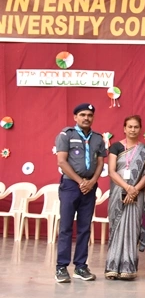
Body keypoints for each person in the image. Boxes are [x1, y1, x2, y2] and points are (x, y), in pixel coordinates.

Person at [54, 103, 107, 283]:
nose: (86, 118)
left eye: (90, 115)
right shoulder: (66, 135)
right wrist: (80, 181)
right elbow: (62, 162)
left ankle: (80, 267)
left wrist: (91, 182)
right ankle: (61, 267)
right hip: (70, 186)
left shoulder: (98, 138)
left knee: (84, 228)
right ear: (75, 117)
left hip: (89, 188)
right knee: (66, 227)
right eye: (82, 115)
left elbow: (100, 163)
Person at [105, 115, 145, 280]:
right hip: (118, 193)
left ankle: (128, 268)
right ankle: (112, 267)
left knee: (132, 229)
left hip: (137, 195)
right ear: (124, 129)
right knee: (117, 228)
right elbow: (112, 172)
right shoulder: (116, 147)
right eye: (130, 127)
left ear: (140, 129)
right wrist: (127, 188)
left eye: (136, 127)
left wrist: (135, 190)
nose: (133, 130)